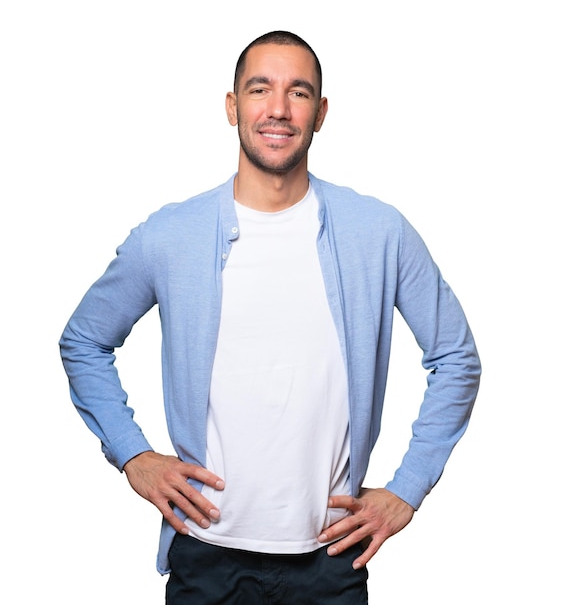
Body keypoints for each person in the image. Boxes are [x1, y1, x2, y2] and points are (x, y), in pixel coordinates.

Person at [60, 30, 481, 604]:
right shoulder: (169, 236)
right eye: (260, 89)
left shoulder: (378, 232)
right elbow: (84, 340)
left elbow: (455, 356)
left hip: (330, 559)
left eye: (299, 92)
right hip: (206, 556)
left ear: (321, 112)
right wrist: (133, 454)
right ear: (232, 107)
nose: (278, 109)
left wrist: (407, 489)